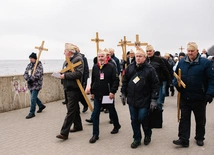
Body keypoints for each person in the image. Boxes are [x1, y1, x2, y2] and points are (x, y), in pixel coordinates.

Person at [173, 42, 214, 147]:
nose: (190, 53)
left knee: (200, 119)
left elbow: (211, 79)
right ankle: (183, 139)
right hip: (185, 96)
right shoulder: (182, 62)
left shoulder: (205, 63)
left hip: (200, 97)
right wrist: (177, 85)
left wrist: (210, 93)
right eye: (189, 51)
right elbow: (176, 76)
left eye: (192, 51)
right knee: (184, 119)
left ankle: (199, 137)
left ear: (197, 51)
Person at [121, 48, 159, 148]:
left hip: (144, 99)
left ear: (144, 57)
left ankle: (147, 134)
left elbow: (155, 85)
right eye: (136, 56)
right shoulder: (130, 68)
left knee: (142, 118)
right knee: (134, 120)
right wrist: (123, 93)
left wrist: (154, 99)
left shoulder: (150, 69)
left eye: (140, 56)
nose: (138, 58)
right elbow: (125, 81)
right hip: (132, 99)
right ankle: (136, 138)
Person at [89, 49, 121, 143]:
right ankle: (95, 134)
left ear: (106, 57)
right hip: (98, 94)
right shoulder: (95, 67)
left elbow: (116, 80)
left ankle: (116, 125)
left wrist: (112, 91)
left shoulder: (111, 67)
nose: (100, 58)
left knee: (112, 111)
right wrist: (92, 92)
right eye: (99, 57)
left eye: (102, 56)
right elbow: (93, 81)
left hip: (107, 94)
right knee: (95, 114)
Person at [56, 43, 84, 140]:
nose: (64, 52)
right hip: (67, 86)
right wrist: (60, 73)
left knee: (70, 111)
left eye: (65, 51)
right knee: (74, 108)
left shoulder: (78, 59)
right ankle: (78, 126)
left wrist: (65, 76)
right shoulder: (67, 60)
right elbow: (66, 70)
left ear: (70, 52)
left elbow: (79, 73)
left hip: (74, 87)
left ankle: (64, 133)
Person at [24, 52, 46, 119]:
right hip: (30, 84)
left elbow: (38, 74)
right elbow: (25, 73)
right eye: (30, 58)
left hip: (36, 84)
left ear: (35, 59)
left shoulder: (39, 65)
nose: (30, 59)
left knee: (33, 98)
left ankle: (32, 113)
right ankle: (41, 105)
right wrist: (28, 79)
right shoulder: (29, 65)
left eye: (31, 58)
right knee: (34, 97)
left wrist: (31, 79)